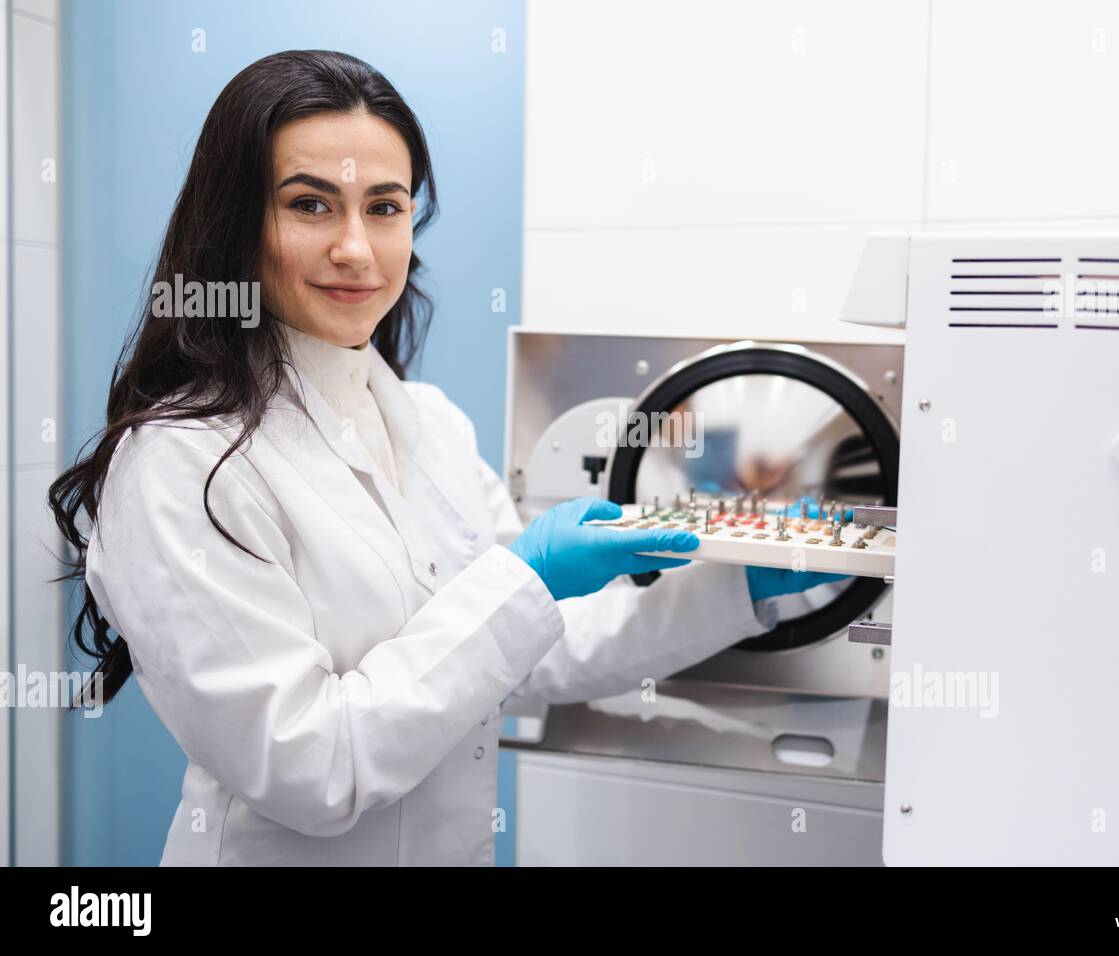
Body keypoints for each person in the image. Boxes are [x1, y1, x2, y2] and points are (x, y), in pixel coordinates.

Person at [48, 50, 840, 866]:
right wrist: (524, 576)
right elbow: (308, 766)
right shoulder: (182, 463)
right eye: (311, 204)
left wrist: (737, 585)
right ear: (234, 225)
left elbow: (533, 646)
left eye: (384, 207)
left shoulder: (427, 424)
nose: (357, 248)